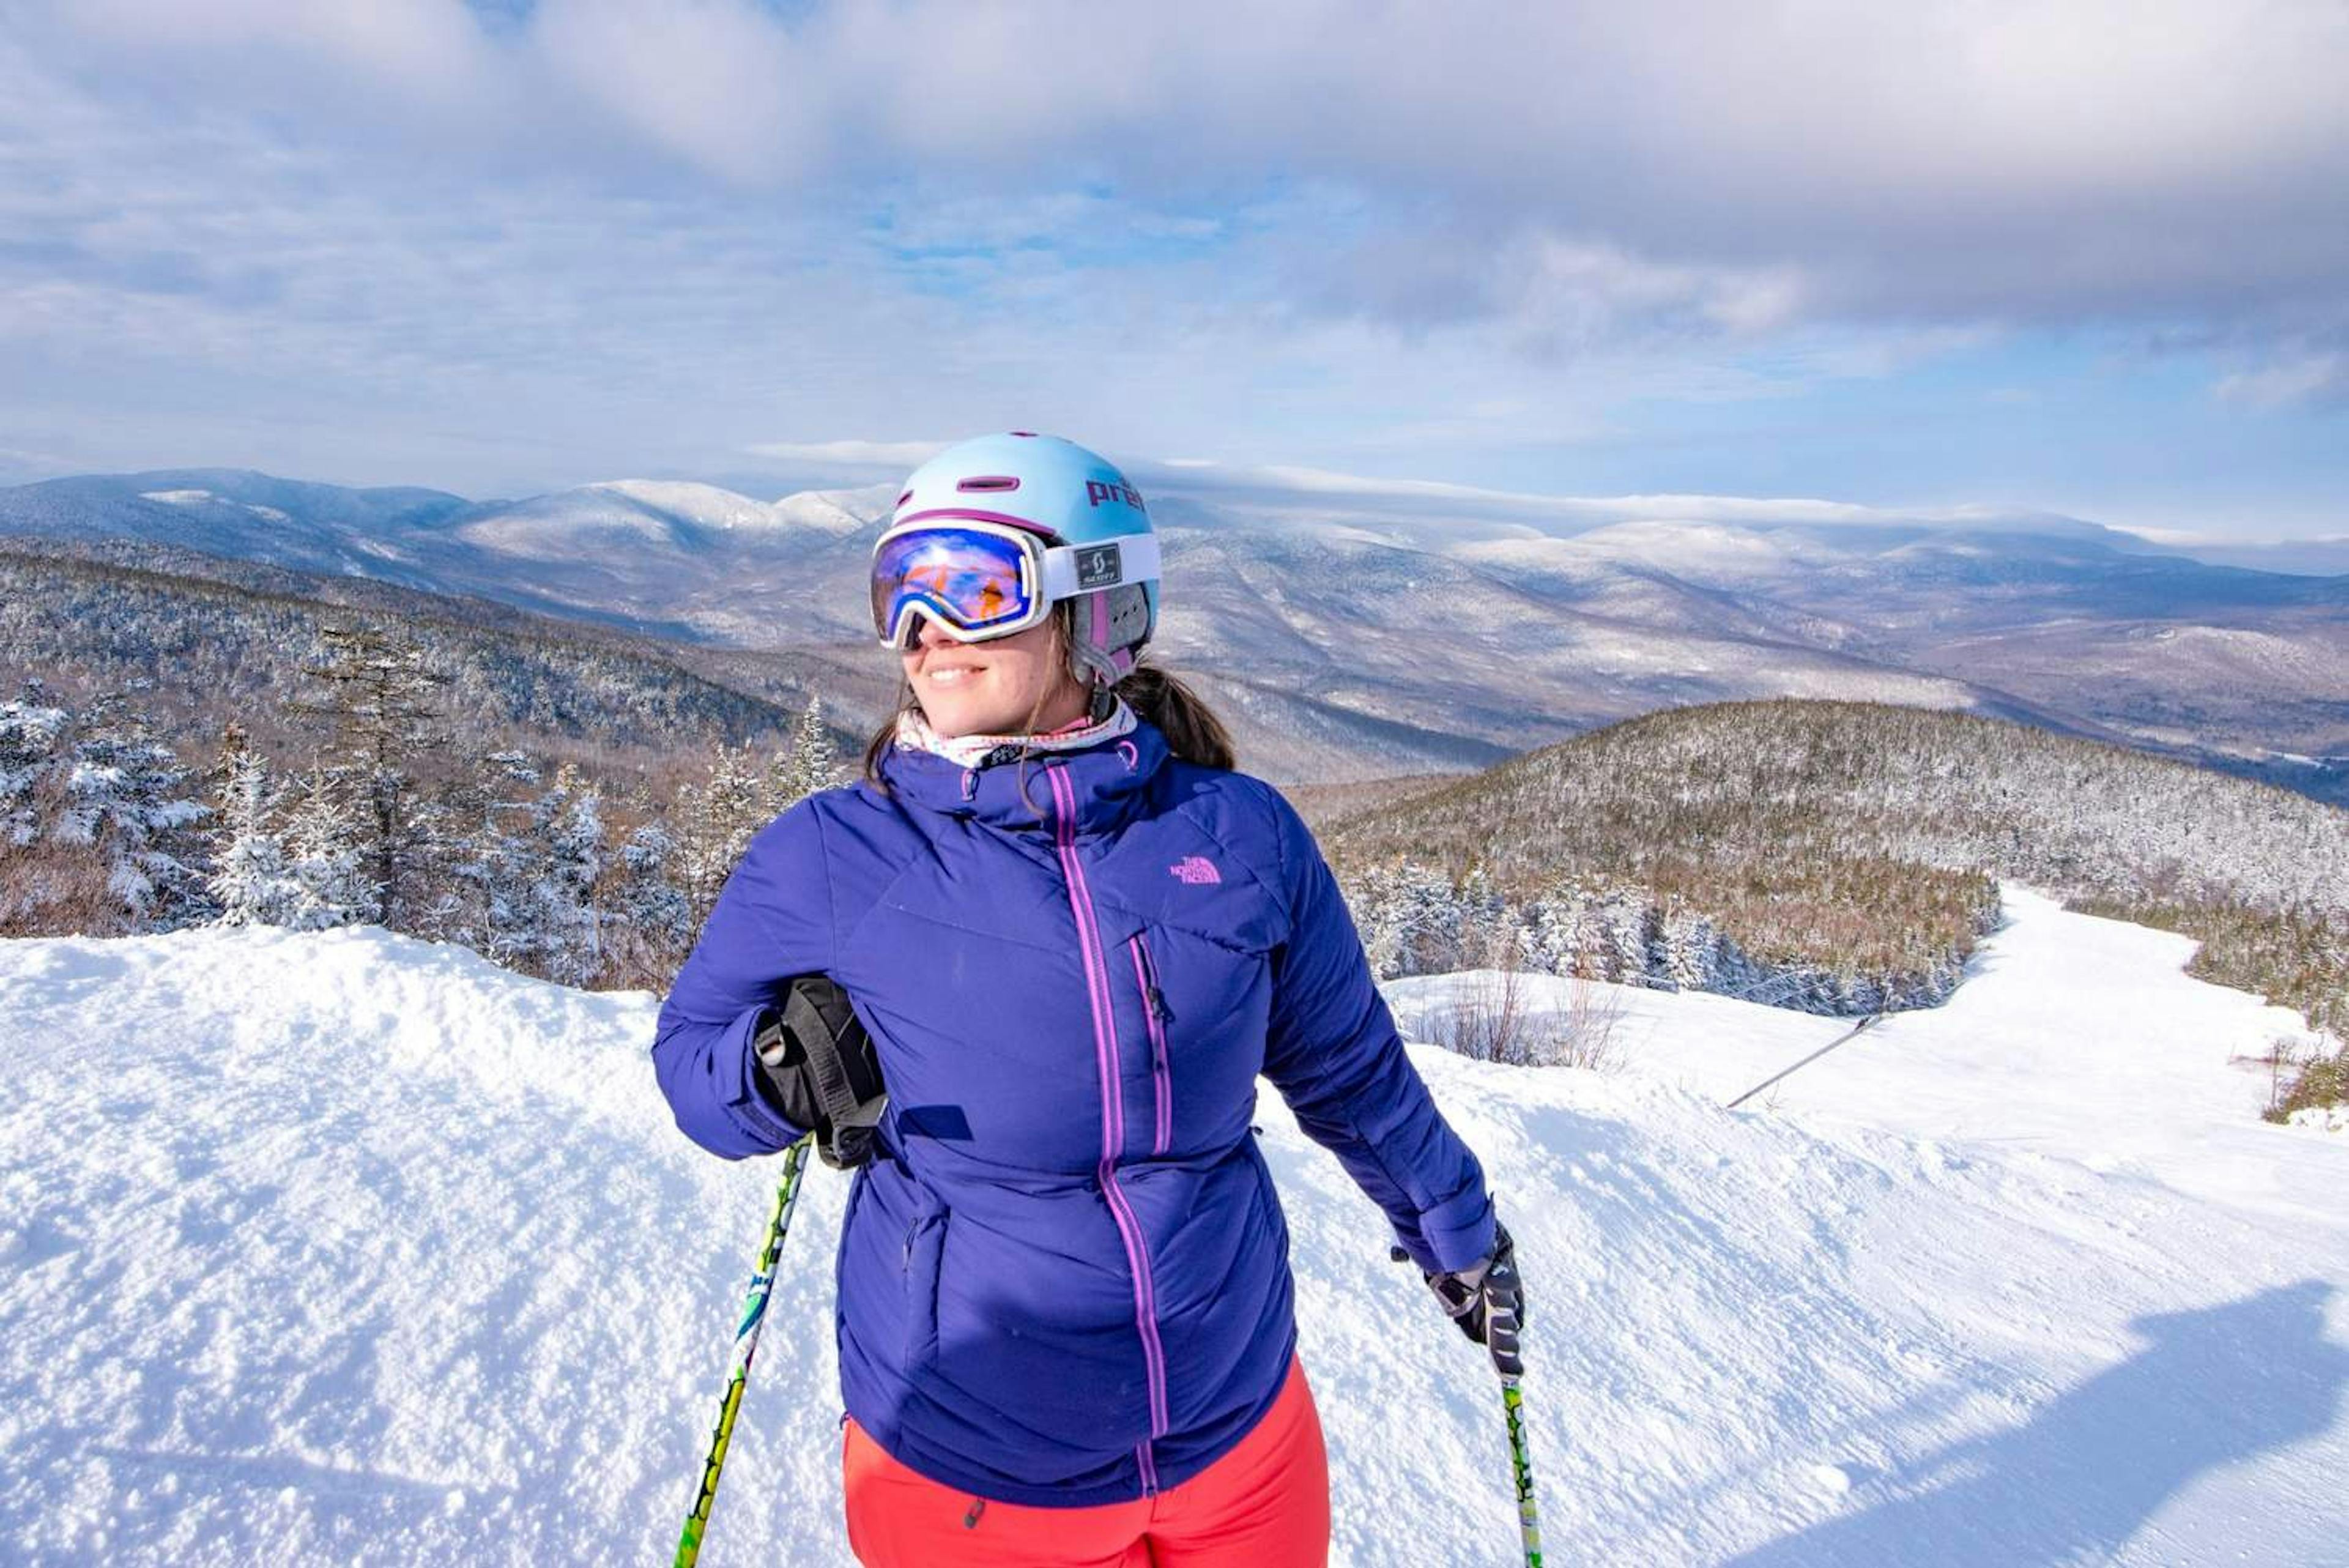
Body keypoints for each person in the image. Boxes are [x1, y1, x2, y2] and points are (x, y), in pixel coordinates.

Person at [652, 433, 1522, 1566]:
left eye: (971, 583)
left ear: (1092, 606)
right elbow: (690, 1072)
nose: (924, 632)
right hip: (976, 1464)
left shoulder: (1238, 835)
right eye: (898, 593)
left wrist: (1458, 1233)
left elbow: (1350, 1072)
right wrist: (776, 1069)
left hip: (1237, 1432)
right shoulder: (834, 857)